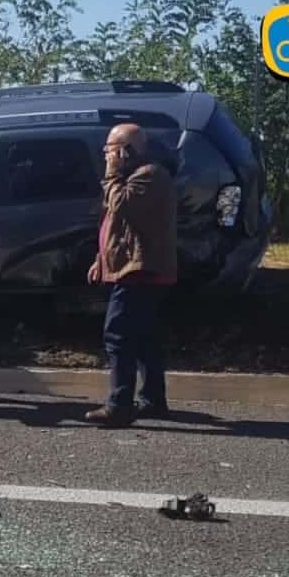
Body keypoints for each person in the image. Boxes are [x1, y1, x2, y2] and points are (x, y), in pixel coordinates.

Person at [85, 123, 178, 426]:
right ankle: (153, 400)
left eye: (111, 149)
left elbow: (122, 206)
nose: (107, 154)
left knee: (118, 334)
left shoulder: (150, 175)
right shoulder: (130, 177)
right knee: (145, 338)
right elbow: (114, 223)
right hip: (130, 266)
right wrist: (102, 259)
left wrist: (111, 173)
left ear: (127, 150)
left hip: (142, 269)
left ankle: (119, 406)